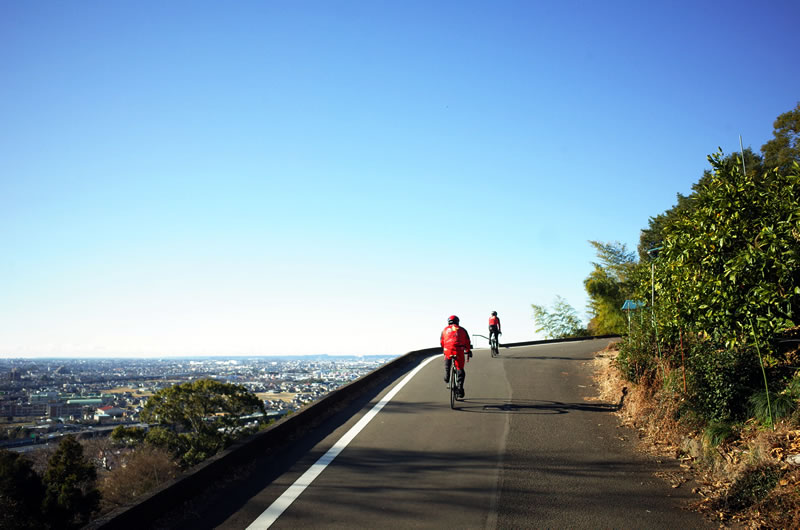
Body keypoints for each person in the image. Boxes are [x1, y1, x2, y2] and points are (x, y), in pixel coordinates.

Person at [440, 315, 472, 398]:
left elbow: (441, 342)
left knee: (447, 359)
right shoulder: (462, 330)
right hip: (458, 351)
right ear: (458, 321)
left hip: (448, 350)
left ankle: (447, 376)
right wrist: (468, 351)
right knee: (460, 369)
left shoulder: (444, 330)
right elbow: (467, 342)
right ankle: (460, 389)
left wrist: (445, 348)